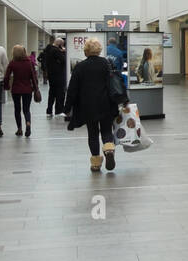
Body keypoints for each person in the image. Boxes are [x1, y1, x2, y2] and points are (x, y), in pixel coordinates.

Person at [65, 38, 127, 174]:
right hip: (106, 104)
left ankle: (95, 164)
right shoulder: (106, 64)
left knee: (92, 134)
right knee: (106, 131)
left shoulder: (80, 67)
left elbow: (72, 89)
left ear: (86, 51)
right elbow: (116, 82)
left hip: (88, 106)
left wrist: (67, 107)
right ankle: (109, 149)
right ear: (99, 50)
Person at [3, 45, 39, 138]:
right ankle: (28, 123)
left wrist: (6, 86)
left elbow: (6, 76)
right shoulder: (29, 62)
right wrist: (36, 88)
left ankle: (19, 129)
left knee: (17, 109)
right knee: (26, 109)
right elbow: (33, 76)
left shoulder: (12, 63)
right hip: (27, 89)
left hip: (16, 89)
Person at [40, 37, 68, 118]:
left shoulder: (47, 50)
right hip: (58, 75)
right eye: (62, 45)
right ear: (59, 44)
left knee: (51, 93)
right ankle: (59, 110)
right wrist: (63, 52)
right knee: (60, 93)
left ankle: (49, 110)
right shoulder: (56, 50)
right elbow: (63, 60)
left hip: (51, 75)